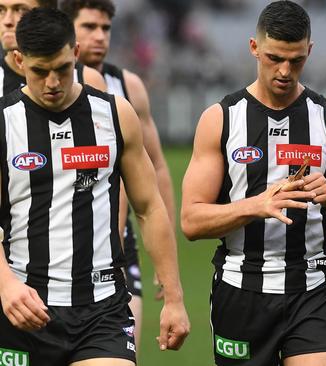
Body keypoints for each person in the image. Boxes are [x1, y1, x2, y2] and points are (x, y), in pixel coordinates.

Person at [180, 1, 326, 365]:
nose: (285, 71)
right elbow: (191, 222)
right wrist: (256, 205)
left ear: (309, 52)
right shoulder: (221, 119)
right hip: (242, 291)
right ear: (254, 48)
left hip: (314, 290)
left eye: (296, 60)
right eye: (274, 58)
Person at [0, 7, 189, 366]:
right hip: (24, 305)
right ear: (20, 60)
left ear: (75, 54)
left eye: (62, 69)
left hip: (102, 308)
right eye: (40, 71)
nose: (53, 82)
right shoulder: (4, 122)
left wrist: (174, 298)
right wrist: (6, 285)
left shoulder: (115, 114)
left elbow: (148, 208)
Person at [60, 0, 177, 350]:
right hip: (51, 245)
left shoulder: (129, 85)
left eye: (106, 28)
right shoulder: (33, 86)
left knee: (123, 349)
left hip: (117, 246)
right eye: (89, 27)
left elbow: (155, 166)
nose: (100, 37)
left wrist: (164, 260)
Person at [0, 0, 107, 94]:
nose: (7, 21)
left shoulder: (88, 79)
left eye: (21, 9)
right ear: (19, 60)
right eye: (1, 10)